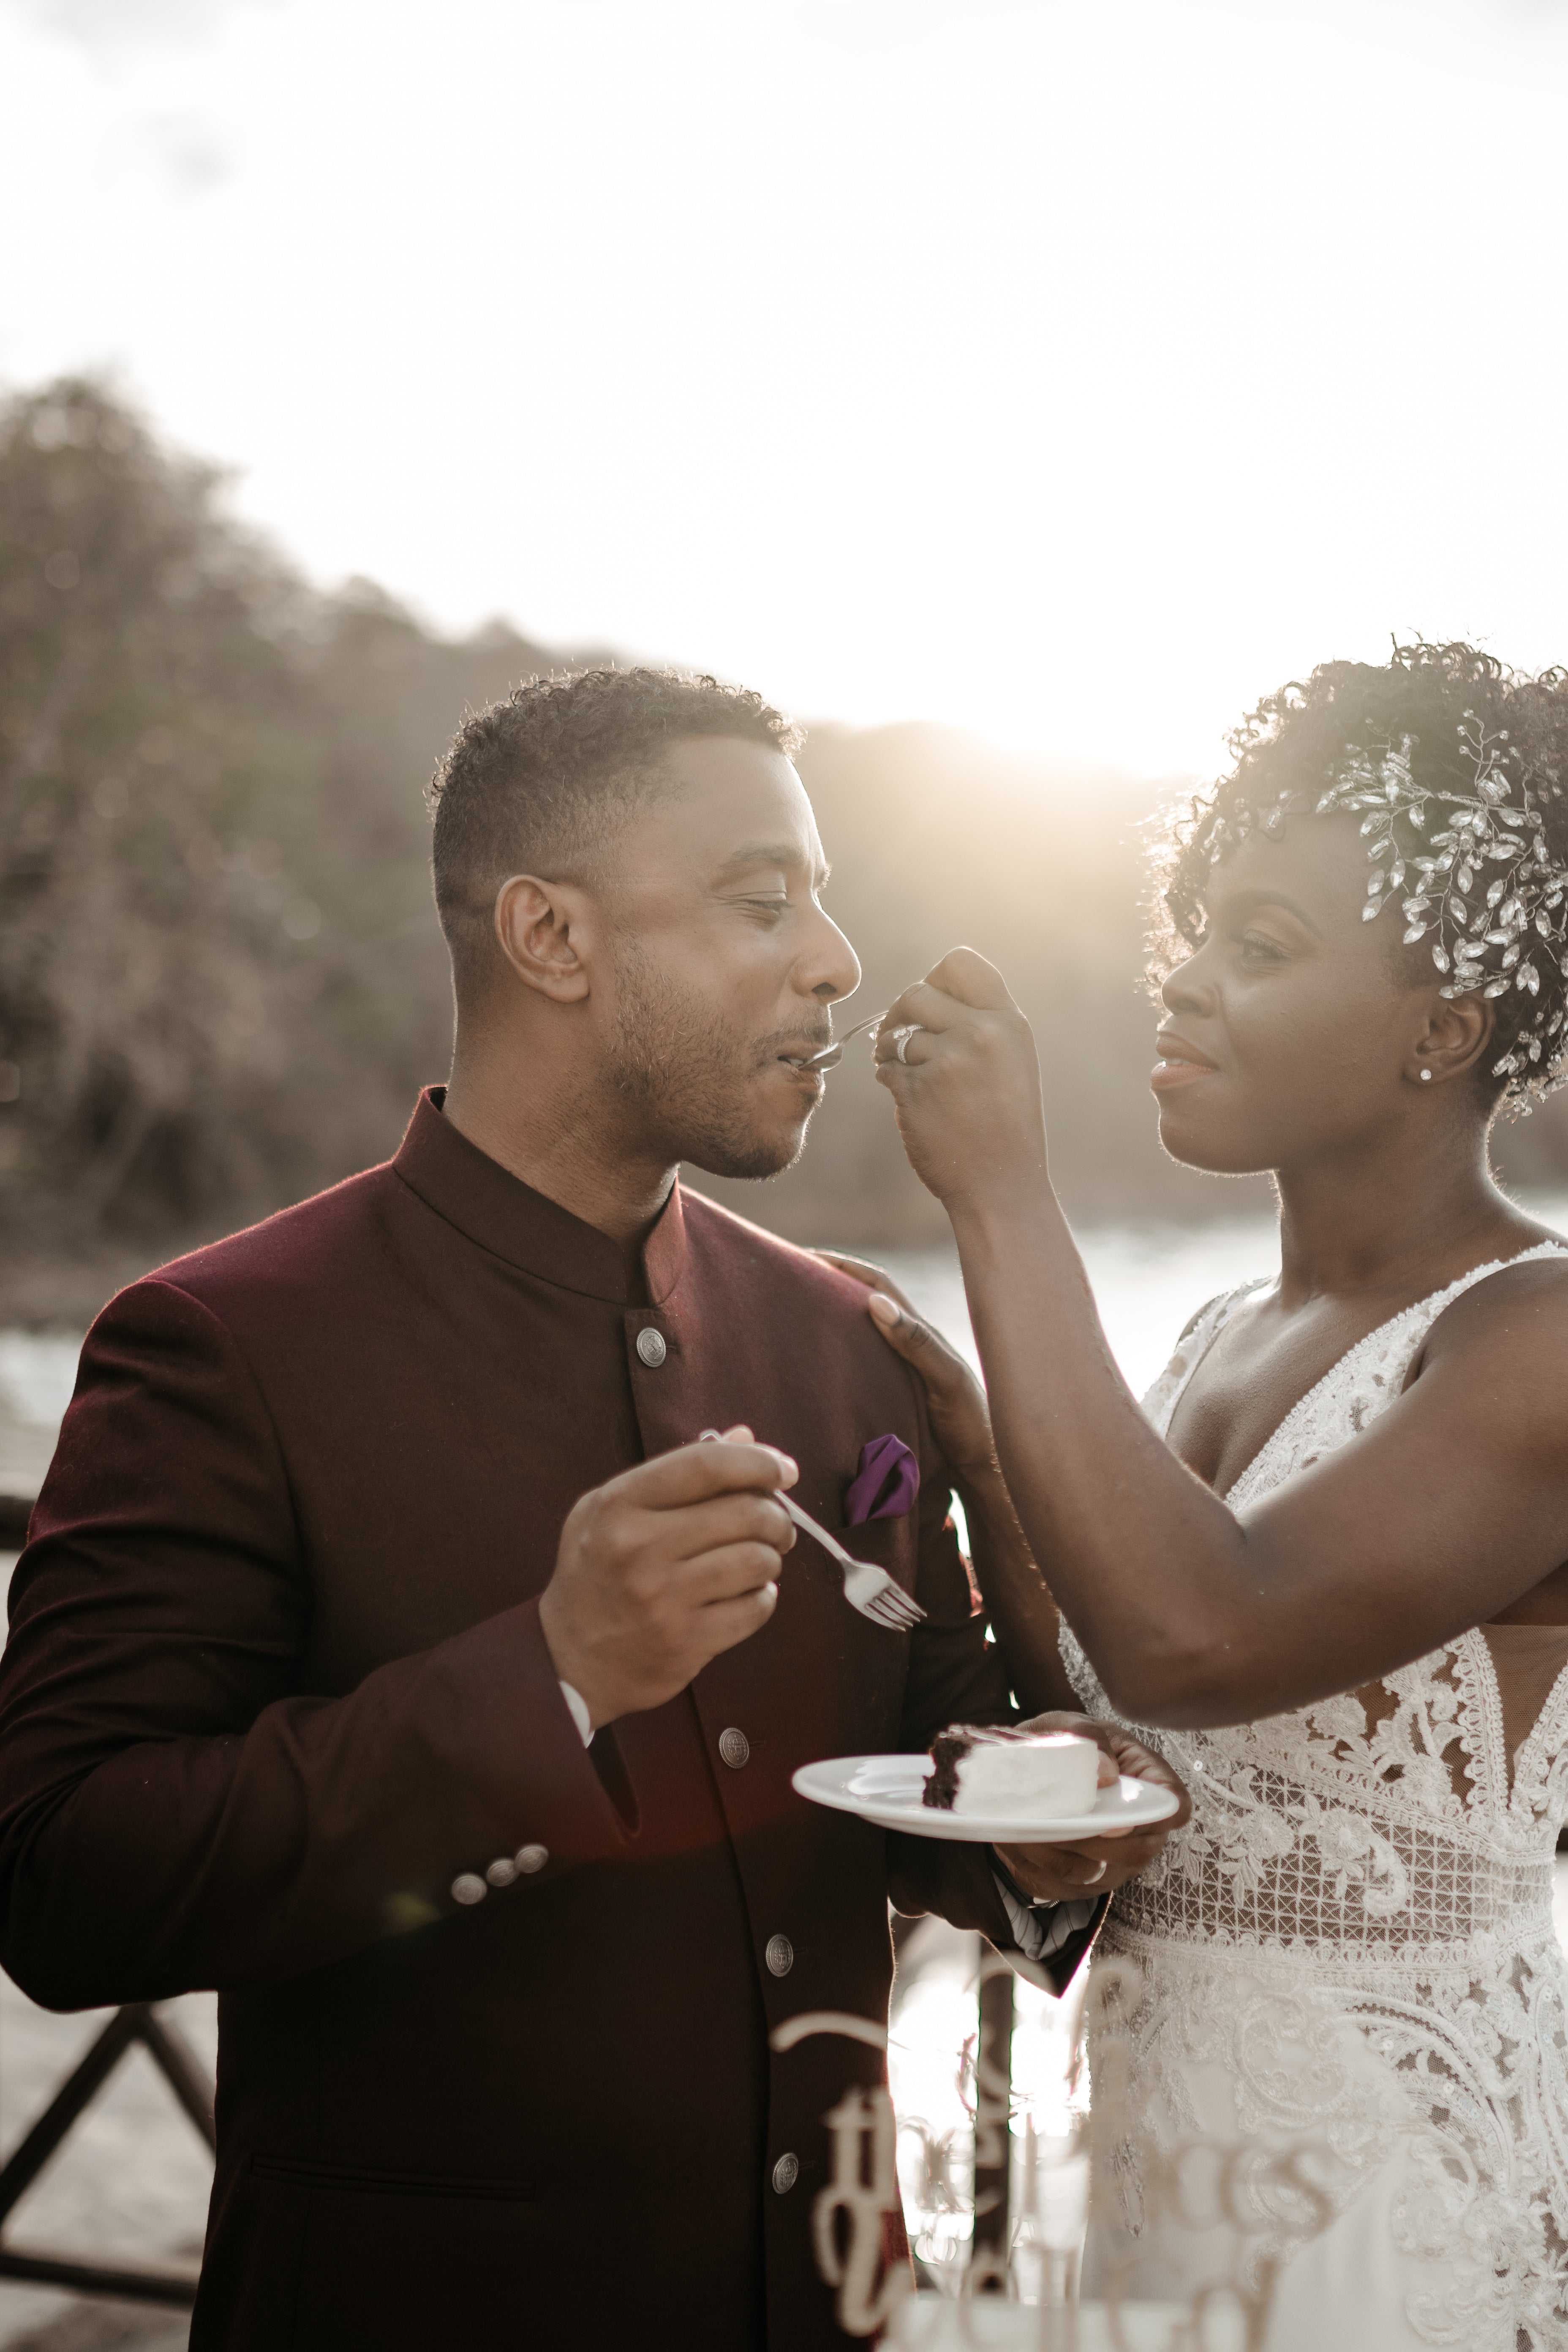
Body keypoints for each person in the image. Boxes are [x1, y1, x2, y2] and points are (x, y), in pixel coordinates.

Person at [0, 667, 1184, 2352]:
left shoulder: (848, 1340)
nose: (835, 960)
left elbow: (932, 1759)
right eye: (760, 900)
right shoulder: (222, 1350)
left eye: (824, 902)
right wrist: (544, 1676)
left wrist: (1038, 1841)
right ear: (549, 939)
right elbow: (62, 1889)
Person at [840, 641, 1568, 2349]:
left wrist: (1005, 1203)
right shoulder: (1217, 1335)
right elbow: (1111, 1711)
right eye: (1194, 929)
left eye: (1262, 949)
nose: (1182, 982)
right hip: (1156, 2166)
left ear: (1439, 1031)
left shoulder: (1538, 1342)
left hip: (1385, 2207)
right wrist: (982, 1450)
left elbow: (1193, 1631)